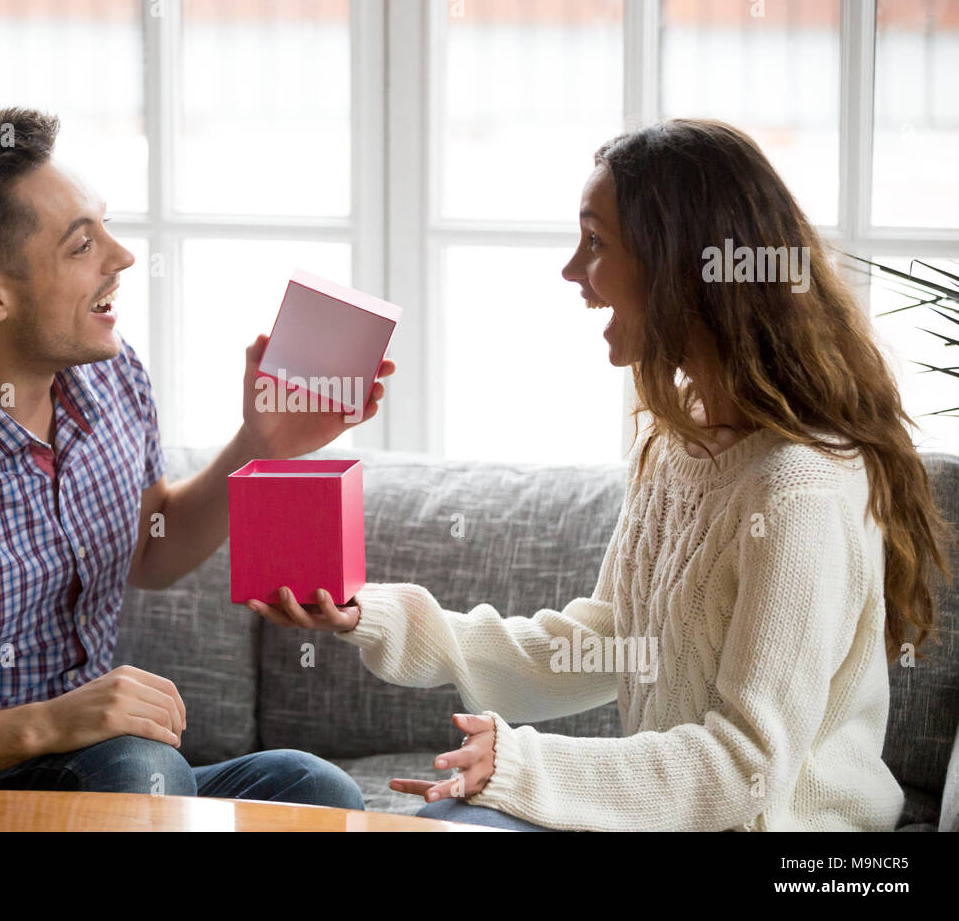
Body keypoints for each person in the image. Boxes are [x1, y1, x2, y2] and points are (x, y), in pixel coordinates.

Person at [246, 118, 950, 831]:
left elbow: (746, 767)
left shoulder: (800, 490)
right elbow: (606, 641)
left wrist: (522, 766)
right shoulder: (678, 445)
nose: (571, 270)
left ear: (680, 265)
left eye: (595, 242)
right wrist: (378, 616)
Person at [0, 107, 391, 812]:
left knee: (311, 788)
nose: (122, 257)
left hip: (84, 780)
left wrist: (258, 446)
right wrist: (48, 725)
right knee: (138, 768)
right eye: (83, 245)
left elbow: (152, 551)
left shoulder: (110, 377)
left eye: (106, 228)